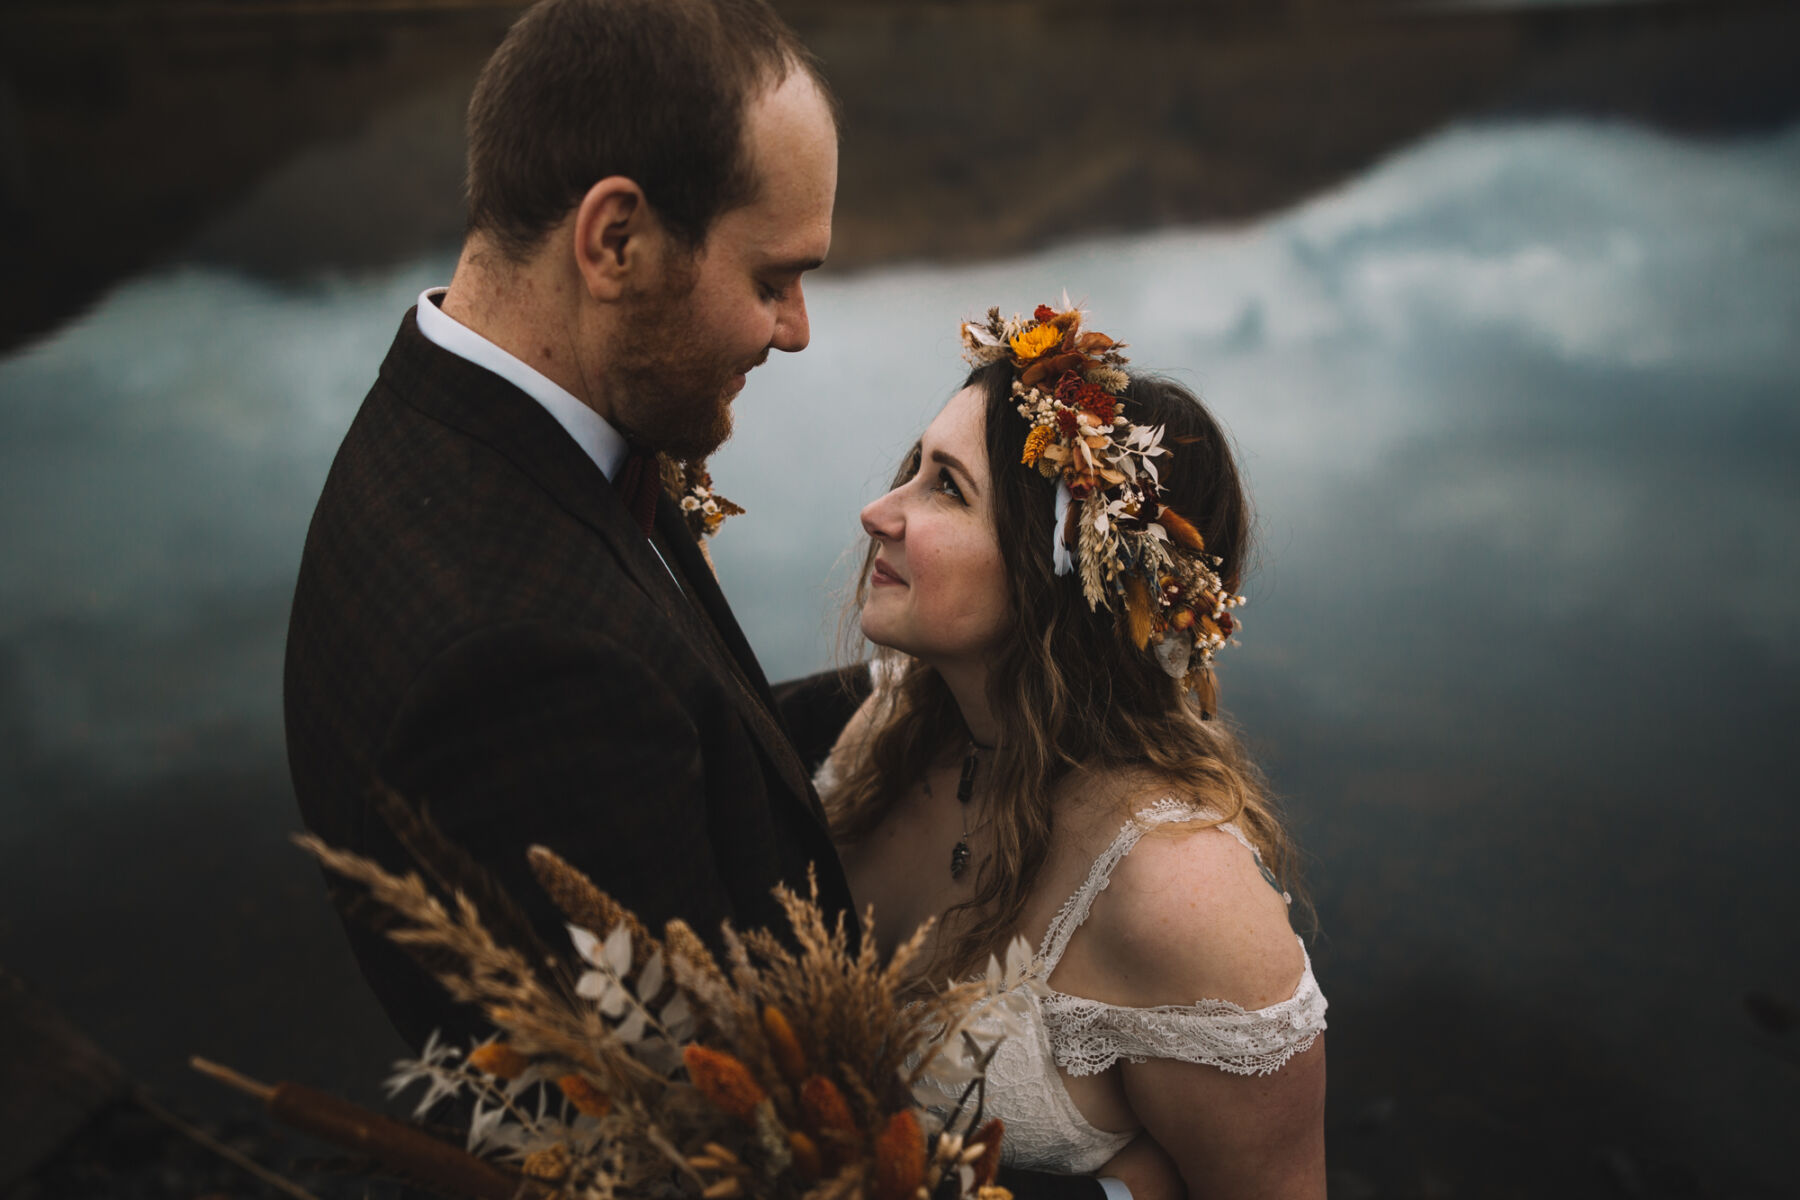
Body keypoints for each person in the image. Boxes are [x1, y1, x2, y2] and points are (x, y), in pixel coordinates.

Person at [283, 0, 854, 1052]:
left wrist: (937, 688)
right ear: (616, 240)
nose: (796, 332)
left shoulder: (464, 416)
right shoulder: (513, 666)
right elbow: (716, 1120)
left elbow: (679, 741)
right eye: (771, 280)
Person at [816, 302, 1329, 1197]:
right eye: (915, 468)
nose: (877, 511)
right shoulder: (888, 728)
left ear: (1061, 575)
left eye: (945, 487)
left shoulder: (1178, 895)